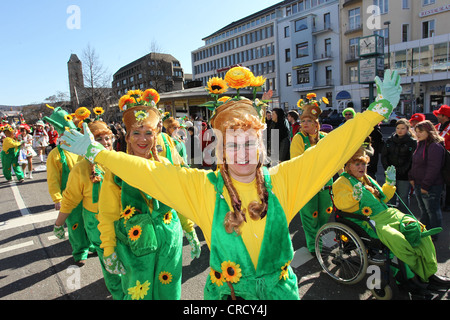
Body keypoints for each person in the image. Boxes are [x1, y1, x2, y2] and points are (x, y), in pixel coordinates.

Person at [60, 69, 403, 300]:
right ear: (220, 151)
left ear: (262, 146)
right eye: (232, 145)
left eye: (249, 143)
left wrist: (378, 109)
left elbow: (330, 151)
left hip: (280, 293)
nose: (242, 153)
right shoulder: (203, 188)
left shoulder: (283, 182)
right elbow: (145, 172)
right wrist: (95, 152)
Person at [96, 89, 200, 300]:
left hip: (169, 243)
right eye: (136, 132)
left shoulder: (166, 165)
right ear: (127, 136)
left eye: (148, 133)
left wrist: (189, 229)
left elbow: (178, 201)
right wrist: (108, 248)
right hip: (134, 248)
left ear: (156, 135)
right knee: (138, 295)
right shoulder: (117, 170)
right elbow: (107, 213)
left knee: (169, 292)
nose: (142, 139)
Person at [333, 146, 449, 296]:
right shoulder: (341, 182)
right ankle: (410, 279)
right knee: (398, 240)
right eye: (357, 164)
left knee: (419, 230)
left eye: (364, 163)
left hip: (389, 214)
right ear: (348, 166)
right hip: (369, 221)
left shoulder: (366, 178)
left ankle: (429, 273)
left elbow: (383, 199)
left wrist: (389, 183)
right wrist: (353, 196)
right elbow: (340, 204)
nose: (362, 167)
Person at [53, 119, 123, 299]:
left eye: (108, 138)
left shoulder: (119, 159)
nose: (106, 143)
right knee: (109, 259)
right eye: (100, 140)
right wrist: (59, 224)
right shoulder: (81, 169)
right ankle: (118, 292)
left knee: (126, 256)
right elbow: (69, 200)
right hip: (96, 223)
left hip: (122, 219)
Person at [44, 105, 94, 266]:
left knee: (90, 221)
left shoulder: (82, 150)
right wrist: (57, 198)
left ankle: (92, 243)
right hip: (70, 197)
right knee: (75, 225)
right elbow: (52, 179)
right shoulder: (56, 154)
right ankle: (80, 251)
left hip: (87, 194)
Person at [290, 95, 333, 253]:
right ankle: (314, 247)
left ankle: (320, 240)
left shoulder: (325, 138)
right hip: (307, 183)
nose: (305, 124)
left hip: (326, 183)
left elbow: (334, 158)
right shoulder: (298, 138)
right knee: (310, 216)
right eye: (303, 121)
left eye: (309, 121)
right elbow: (297, 162)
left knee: (324, 214)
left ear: (316, 123)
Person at [409, 120, 445, 237]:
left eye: (421, 131)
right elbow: (415, 163)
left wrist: (425, 185)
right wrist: (412, 178)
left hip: (431, 186)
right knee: (424, 210)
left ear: (429, 131)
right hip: (420, 184)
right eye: (416, 131)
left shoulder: (434, 146)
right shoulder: (421, 144)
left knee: (432, 211)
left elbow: (433, 168)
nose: (417, 134)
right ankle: (426, 232)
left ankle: (434, 234)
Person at [381, 119, 417, 213]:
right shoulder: (389, 140)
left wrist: (402, 170)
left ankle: (405, 218)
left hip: (404, 175)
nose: (400, 130)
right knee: (390, 196)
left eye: (402, 128)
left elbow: (411, 159)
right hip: (390, 174)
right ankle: (391, 216)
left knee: (403, 198)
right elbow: (384, 156)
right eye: (398, 128)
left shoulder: (412, 142)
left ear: (408, 129)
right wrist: (388, 169)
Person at [433, 105, 450, 211]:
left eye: (439, 114)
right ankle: (438, 201)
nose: (437, 116)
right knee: (437, 180)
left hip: (448, 157)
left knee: (449, 182)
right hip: (436, 157)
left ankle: (448, 203)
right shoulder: (437, 127)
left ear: (445, 116)